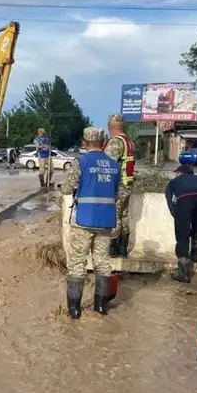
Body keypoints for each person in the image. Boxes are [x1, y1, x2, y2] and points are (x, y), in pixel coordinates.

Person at [62, 127, 120, 319]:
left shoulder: (81, 161)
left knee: (77, 263)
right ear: (103, 143)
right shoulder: (114, 164)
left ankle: (75, 310)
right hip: (106, 221)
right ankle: (101, 307)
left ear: (84, 143)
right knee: (103, 262)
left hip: (83, 221)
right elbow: (117, 194)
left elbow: (67, 188)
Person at [164, 164, 197, 283]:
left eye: (177, 173)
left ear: (180, 173)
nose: (176, 175)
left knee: (182, 236)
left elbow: (170, 202)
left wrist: (178, 218)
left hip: (185, 200)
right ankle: (195, 256)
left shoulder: (174, 182)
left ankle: (183, 274)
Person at [104, 114, 135, 258]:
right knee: (124, 216)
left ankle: (113, 249)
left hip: (117, 186)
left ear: (110, 126)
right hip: (127, 184)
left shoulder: (116, 142)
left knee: (114, 216)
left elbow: (107, 165)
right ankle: (123, 248)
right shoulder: (128, 141)